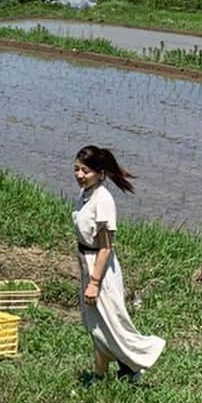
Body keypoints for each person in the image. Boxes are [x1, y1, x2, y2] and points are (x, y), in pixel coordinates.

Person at [72, 145, 165, 385]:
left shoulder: (102, 200)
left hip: (100, 269)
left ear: (100, 173)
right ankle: (113, 371)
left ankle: (137, 360)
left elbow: (105, 247)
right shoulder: (85, 194)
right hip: (87, 262)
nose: (80, 175)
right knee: (96, 323)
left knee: (110, 322)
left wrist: (94, 282)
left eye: (86, 171)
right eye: (77, 169)